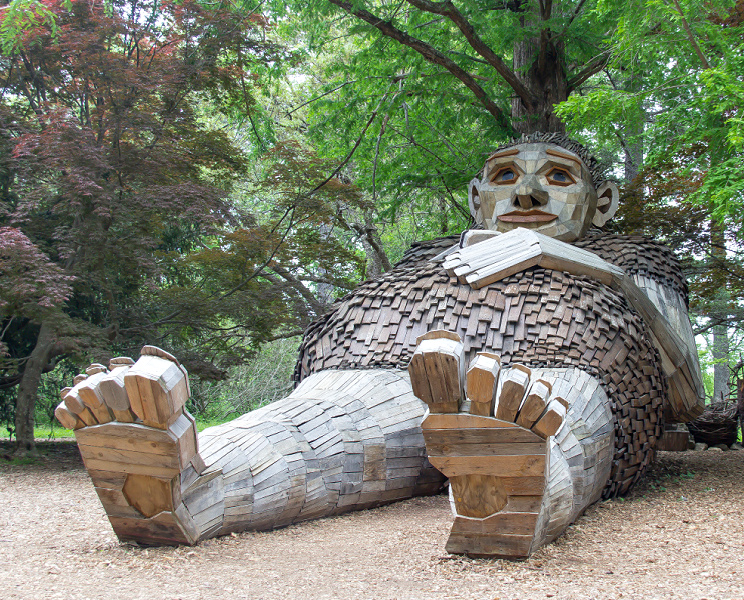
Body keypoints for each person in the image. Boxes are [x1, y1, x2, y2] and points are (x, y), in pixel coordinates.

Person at [56, 132, 703, 558]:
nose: (527, 193)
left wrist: (588, 265)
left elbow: (689, 395)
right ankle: (187, 478)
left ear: (604, 203)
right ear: (479, 199)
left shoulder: (626, 261)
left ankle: (512, 488)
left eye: (556, 178)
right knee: (319, 420)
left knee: (555, 413)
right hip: (394, 356)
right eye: (506, 176)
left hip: (568, 359)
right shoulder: (425, 264)